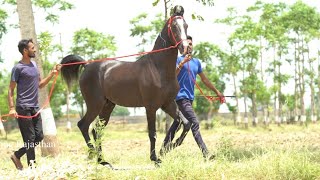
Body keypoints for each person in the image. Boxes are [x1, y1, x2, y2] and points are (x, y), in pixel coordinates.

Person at [160, 35, 225, 160]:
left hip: (189, 98)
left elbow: (204, 79)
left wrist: (217, 92)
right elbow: (171, 76)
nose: (189, 46)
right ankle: (206, 154)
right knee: (194, 122)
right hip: (178, 97)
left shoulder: (196, 62)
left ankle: (164, 149)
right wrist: (182, 63)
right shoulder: (177, 60)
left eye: (191, 44)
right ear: (182, 47)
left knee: (177, 123)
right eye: (187, 44)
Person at [8, 39, 61, 170]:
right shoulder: (18, 68)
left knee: (39, 136)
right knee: (30, 138)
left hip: (35, 107)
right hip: (23, 107)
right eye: (32, 48)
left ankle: (17, 155)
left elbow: (40, 85)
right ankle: (32, 168)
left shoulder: (34, 66)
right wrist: (11, 108)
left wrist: (51, 74)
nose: (35, 50)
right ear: (25, 51)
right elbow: (10, 89)